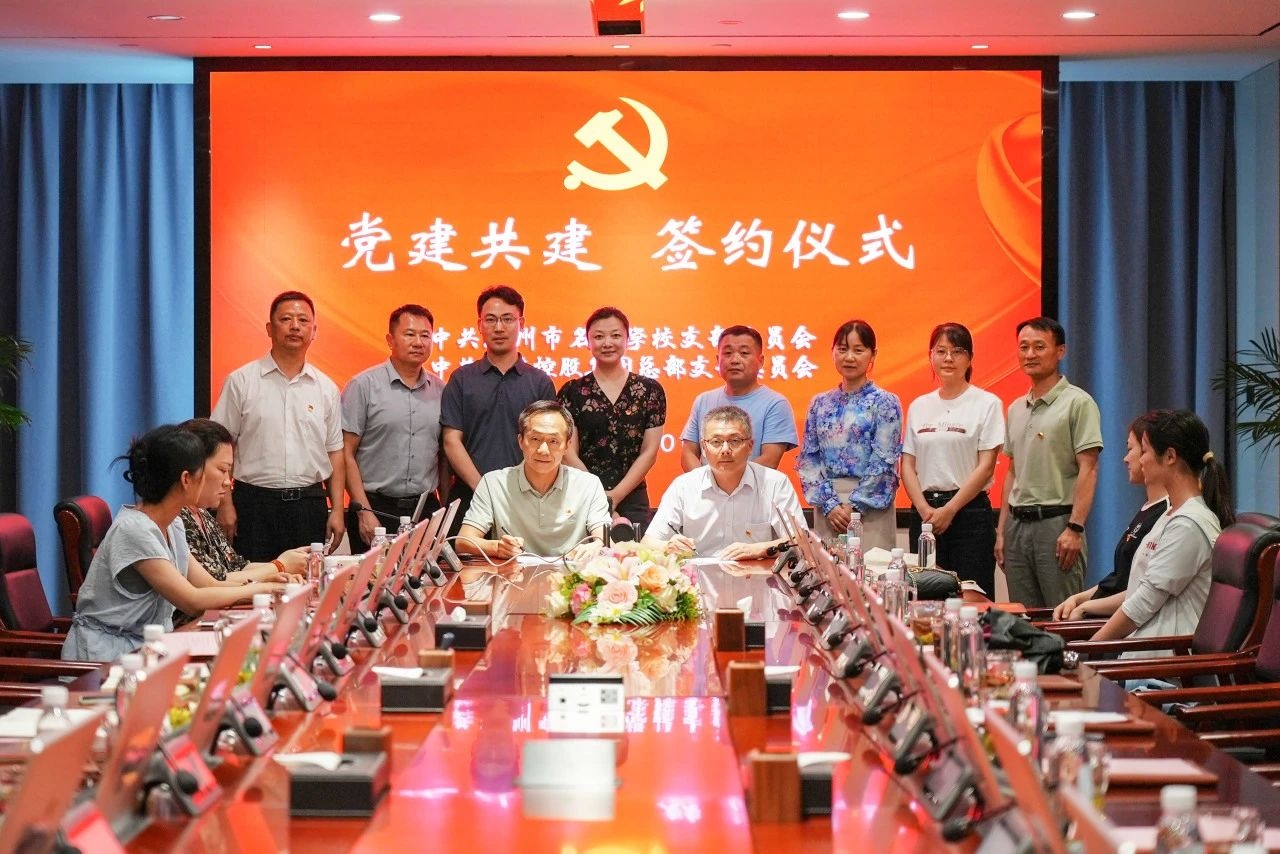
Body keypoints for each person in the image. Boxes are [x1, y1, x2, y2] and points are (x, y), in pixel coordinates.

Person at [63, 425, 288, 661]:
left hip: (147, 650)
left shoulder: (173, 523)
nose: (224, 481)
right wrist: (261, 589)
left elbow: (208, 584)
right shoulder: (134, 530)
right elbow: (192, 601)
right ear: (186, 479)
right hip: (108, 658)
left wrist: (267, 581)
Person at [211, 290, 344, 561]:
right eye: (286, 319)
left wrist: (339, 510)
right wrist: (224, 504)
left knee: (307, 582)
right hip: (253, 505)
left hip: (309, 506)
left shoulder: (326, 388)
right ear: (270, 329)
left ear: (314, 331)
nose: (295, 326)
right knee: (252, 580)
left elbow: (334, 452)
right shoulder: (241, 381)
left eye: (303, 321)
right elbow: (219, 446)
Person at [1088, 409, 1234, 647]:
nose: (1139, 460)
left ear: (1170, 456)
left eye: (1144, 451)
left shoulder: (1189, 524)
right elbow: (1139, 591)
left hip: (1163, 662)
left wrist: (1086, 651)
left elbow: (1142, 604)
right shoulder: (1170, 514)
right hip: (1142, 649)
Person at [996, 316, 1102, 609]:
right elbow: (1012, 472)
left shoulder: (1078, 403)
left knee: (1061, 615)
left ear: (1060, 351)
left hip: (1057, 526)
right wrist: (1002, 531)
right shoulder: (1016, 408)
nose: (1030, 354)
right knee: (1023, 619)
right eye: (1024, 347)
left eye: (1039, 347)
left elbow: (1089, 468)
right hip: (1016, 527)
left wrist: (1075, 529)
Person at [441, 286, 555, 534]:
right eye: (491, 320)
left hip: (527, 499)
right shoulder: (461, 379)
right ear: (479, 325)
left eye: (507, 319)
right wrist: (483, 489)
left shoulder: (539, 382)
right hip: (470, 496)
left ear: (521, 323)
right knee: (465, 558)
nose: (499, 327)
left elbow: (548, 444)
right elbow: (451, 441)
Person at [901, 323, 1004, 593]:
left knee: (972, 596)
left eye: (957, 351)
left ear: (970, 359)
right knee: (926, 599)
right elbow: (907, 466)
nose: (948, 358)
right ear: (931, 356)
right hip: (925, 514)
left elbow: (986, 467)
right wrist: (924, 510)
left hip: (969, 514)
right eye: (941, 351)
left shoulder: (987, 403)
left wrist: (950, 510)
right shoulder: (919, 406)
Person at [175, 418, 307, 626]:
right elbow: (210, 584)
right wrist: (278, 567)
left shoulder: (203, 515)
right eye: (222, 470)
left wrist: (275, 573)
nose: (228, 481)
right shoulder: (175, 519)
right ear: (191, 470)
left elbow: (235, 568)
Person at [342, 304, 448, 553]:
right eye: (409, 334)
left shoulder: (441, 390)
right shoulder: (363, 385)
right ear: (390, 340)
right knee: (373, 578)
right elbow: (345, 453)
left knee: (426, 578)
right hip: (375, 508)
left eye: (425, 335)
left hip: (424, 510)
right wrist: (363, 511)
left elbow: (443, 456)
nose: (418, 342)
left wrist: (444, 509)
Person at [455, 400, 610, 560]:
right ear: (520, 441)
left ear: (566, 446)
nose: (543, 450)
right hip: (514, 573)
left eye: (553, 441)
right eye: (535, 439)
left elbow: (605, 540)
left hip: (570, 574)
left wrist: (596, 546)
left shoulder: (589, 485)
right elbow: (462, 542)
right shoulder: (493, 483)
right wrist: (497, 547)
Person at [796, 320, 902, 551]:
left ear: (873, 354)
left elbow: (884, 461)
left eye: (858, 350)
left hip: (871, 508)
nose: (849, 357)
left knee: (873, 570)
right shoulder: (819, 403)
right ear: (833, 352)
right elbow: (809, 460)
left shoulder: (885, 402)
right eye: (843, 349)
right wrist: (830, 505)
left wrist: (855, 507)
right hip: (829, 509)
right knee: (830, 571)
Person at [647, 406, 806, 559]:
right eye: (716, 442)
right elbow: (648, 542)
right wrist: (667, 546)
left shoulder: (775, 483)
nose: (725, 450)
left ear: (750, 446)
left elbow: (802, 541)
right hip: (697, 575)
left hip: (756, 574)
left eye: (734, 441)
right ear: (704, 447)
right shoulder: (683, 486)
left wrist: (758, 550)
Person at [1052, 414, 1169, 621]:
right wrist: (1077, 599)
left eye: (1131, 449)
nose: (1126, 459)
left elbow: (1142, 593)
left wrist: (1085, 608)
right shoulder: (1147, 509)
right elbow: (1118, 579)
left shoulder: (1167, 515)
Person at [558, 306, 666, 528]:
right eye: (599, 337)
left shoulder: (649, 390)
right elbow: (568, 453)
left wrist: (615, 496)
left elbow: (649, 451)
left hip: (632, 497)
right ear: (588, 342)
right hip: (582, 495)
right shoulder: (572, 391)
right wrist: (599, 495)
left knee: (634, 550)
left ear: (627, 339)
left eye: (615, 335)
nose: (607, 343)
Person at [679, 325, 798, 471]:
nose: (735, 360)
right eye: (728, 353)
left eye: (744, 353)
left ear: (761, 361)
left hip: (754, 485)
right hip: (704, 485)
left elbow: (769, 460)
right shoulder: (703, 401)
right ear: (718, 359)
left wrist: (724, 481)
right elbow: (688, 452)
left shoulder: (775, 404)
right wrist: (705, 482)